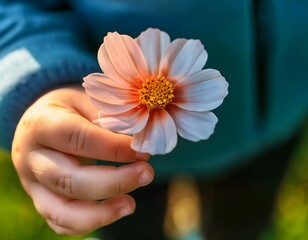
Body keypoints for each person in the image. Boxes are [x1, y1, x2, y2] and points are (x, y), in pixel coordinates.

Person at [0, 0, 307, 239]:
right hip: (122, 144)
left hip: (280, 107)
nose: (158, 94)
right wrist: (42, 83)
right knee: (128, 215)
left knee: (244, 211)